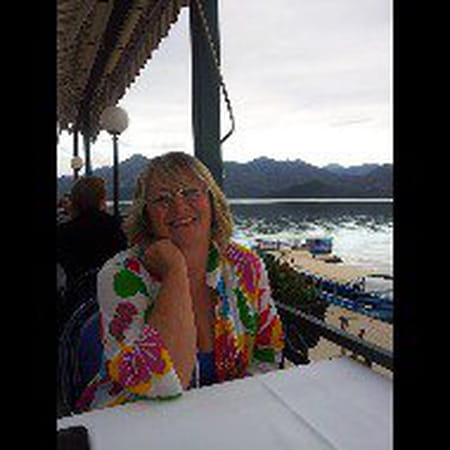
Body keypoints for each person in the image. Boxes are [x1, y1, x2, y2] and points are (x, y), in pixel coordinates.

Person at [77, 152, 284, 411]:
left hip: (231, 416)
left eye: (190, 192)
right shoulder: (121, 275)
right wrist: (175, 273)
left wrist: (238, 409)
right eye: (162, 199)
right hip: (134, 418)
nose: (179, 207)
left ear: (212, 201)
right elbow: (156, 385)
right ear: (146, 215)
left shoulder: (245, 266)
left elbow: (268, 352)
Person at [57, 176, 128, 297]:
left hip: (77, 296)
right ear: (100, 199)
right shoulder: (113, 225)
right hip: (111, 293)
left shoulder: (63, 231)